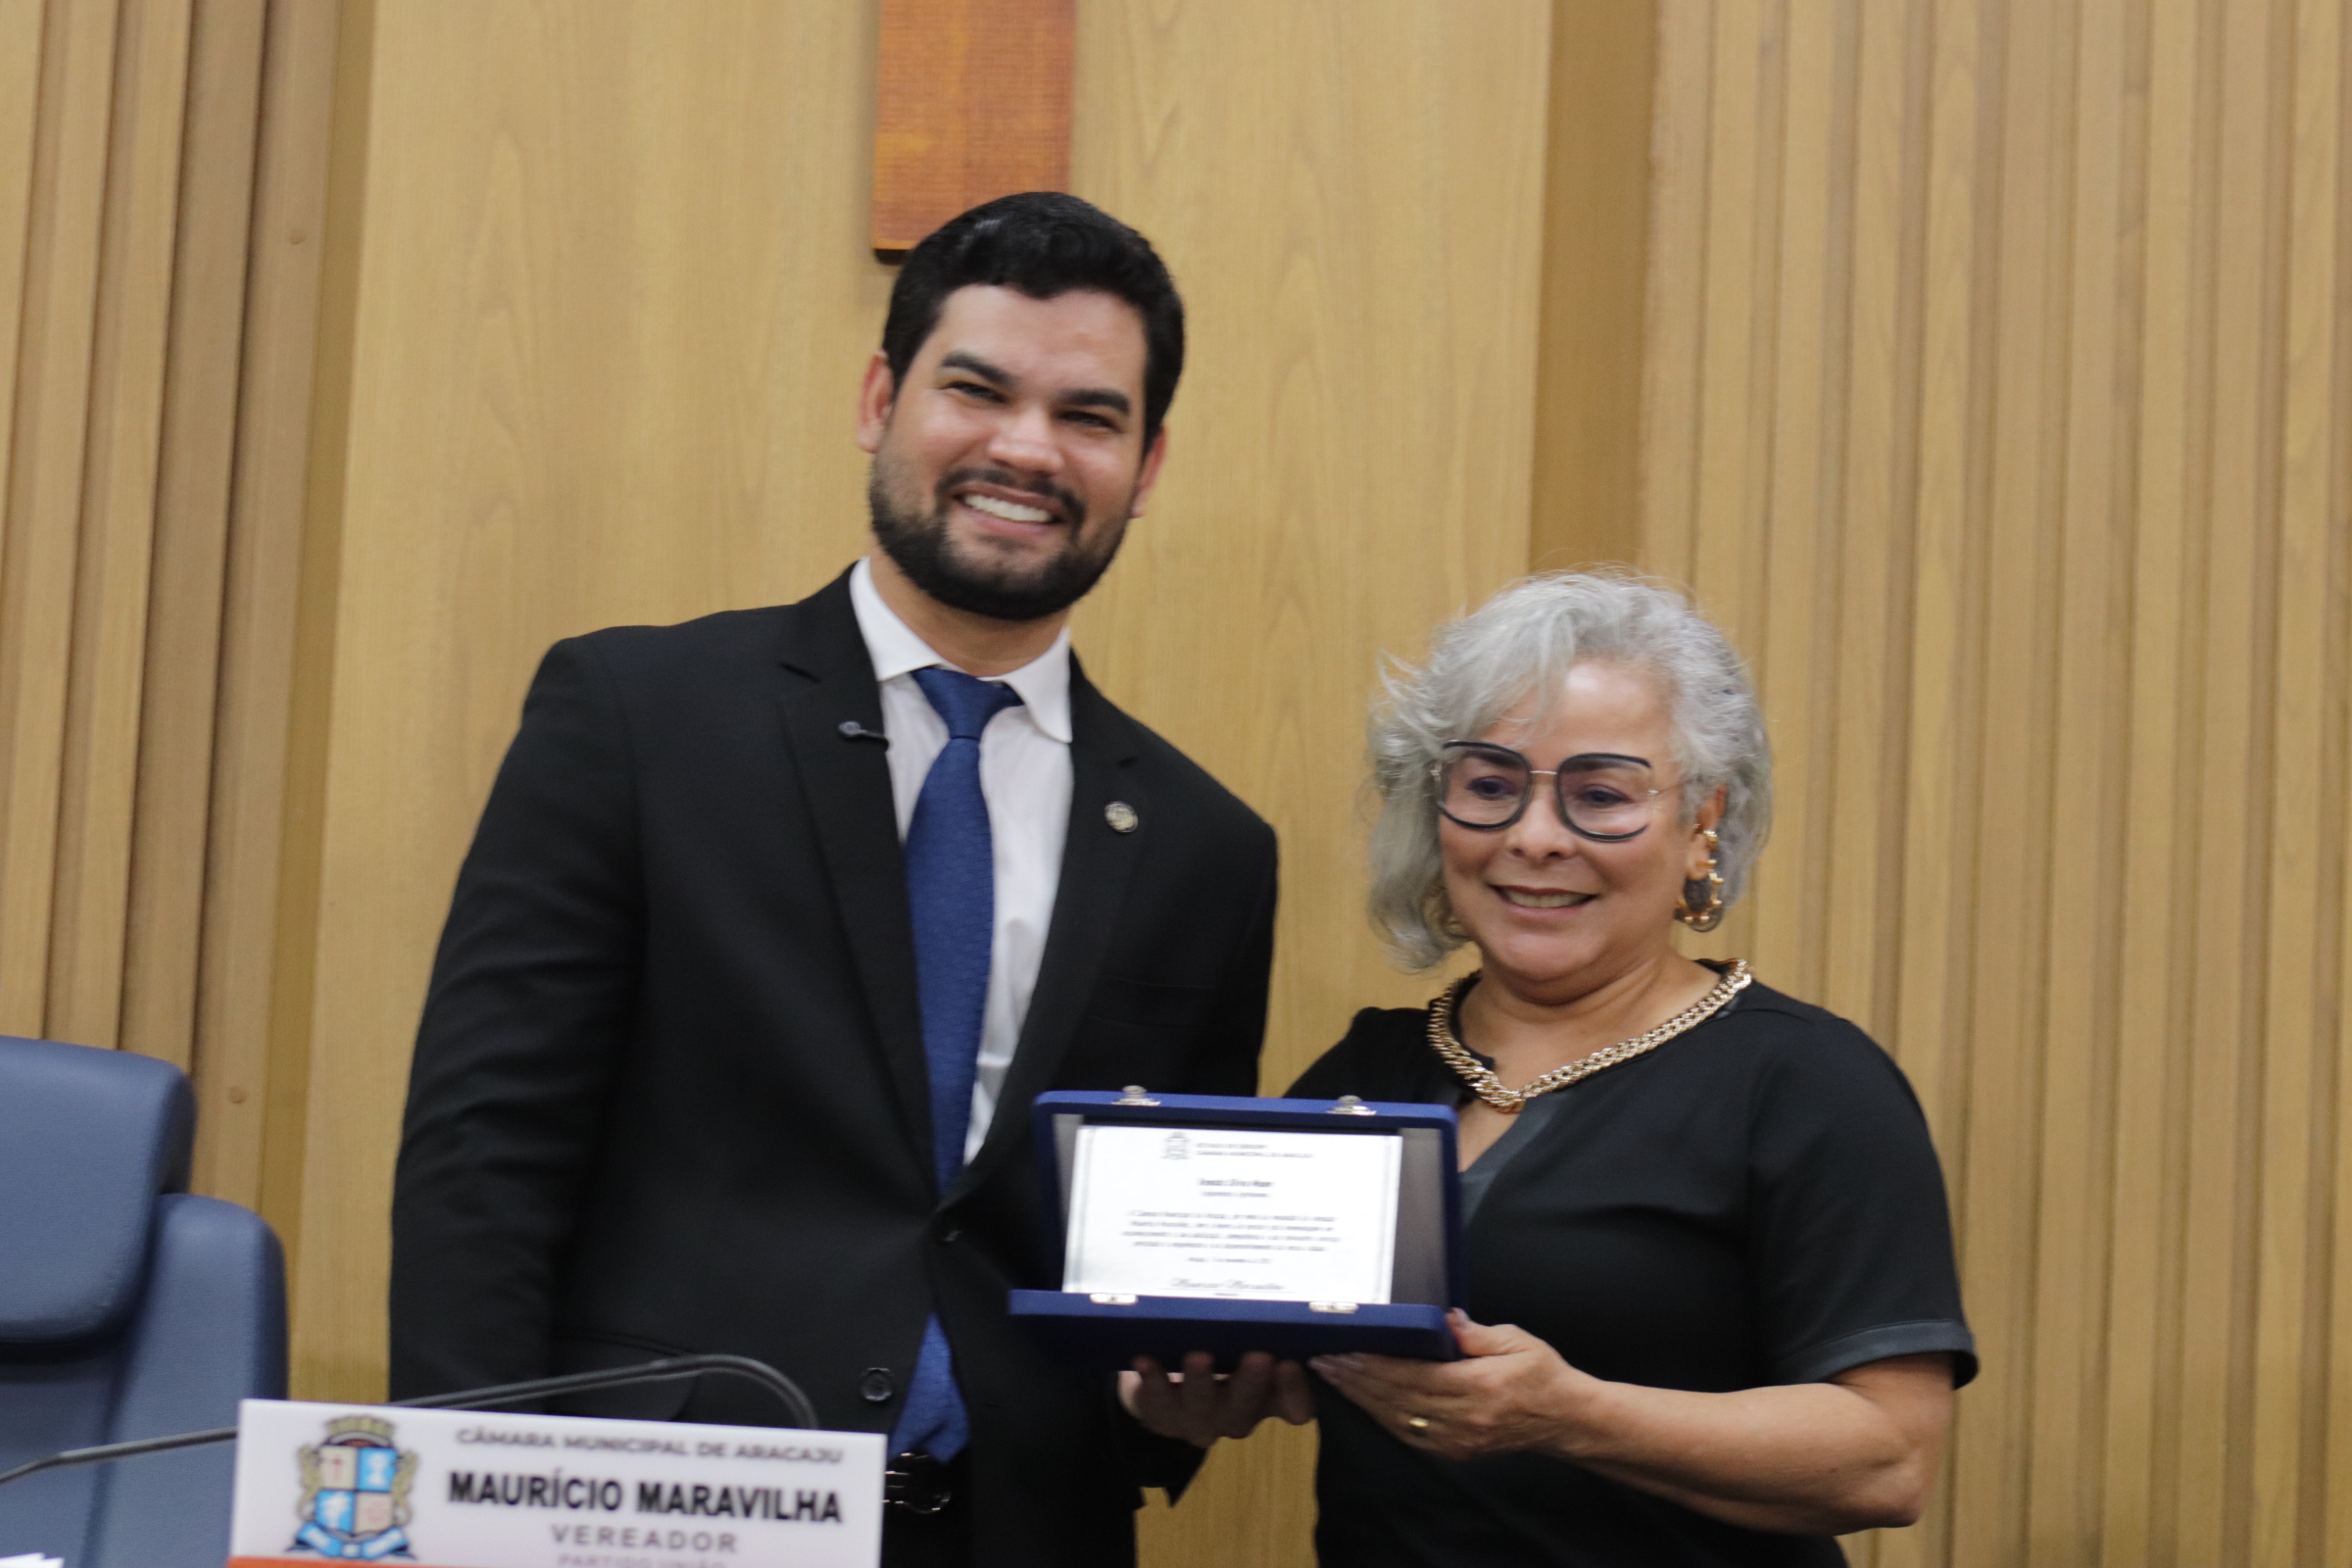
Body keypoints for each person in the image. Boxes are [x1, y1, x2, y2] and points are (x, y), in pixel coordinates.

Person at [389, 192, 1280, 1568]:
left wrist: (1165, 1406)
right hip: (647, 1524)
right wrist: (470, 1516)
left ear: (1146, 463)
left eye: (1089, 416)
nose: (1026, 448)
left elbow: (1144, 1277)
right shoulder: (637, 717)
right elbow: (484, 1157)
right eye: (975, 390)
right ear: (879, 399)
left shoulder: (1206, 846)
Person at [1280, 572, 1974, 1566]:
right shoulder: (1366, 1071)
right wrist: (1199, 1379)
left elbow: (1889, 1459)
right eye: (1490, 786)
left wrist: (1573, 1414)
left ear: (1702, 821)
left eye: (1600, 795)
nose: (1534, 837)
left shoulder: (1806, 1084)